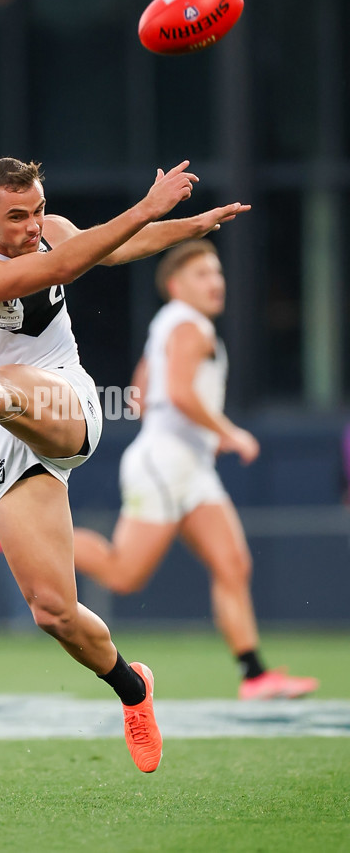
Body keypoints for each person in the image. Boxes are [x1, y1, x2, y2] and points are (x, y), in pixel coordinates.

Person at [0, 156, 250, 772]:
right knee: (53, 610)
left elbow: (110, 248)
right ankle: (133, 688)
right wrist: (144, 205)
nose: (32, 226)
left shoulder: (49, 229)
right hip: (2, 438)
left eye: (39, 211)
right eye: (17, 217)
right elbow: (59, 268)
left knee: (1, 379)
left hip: (65, 398)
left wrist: (185, 226)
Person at [67, 238, 318, 700]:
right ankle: (23, 538)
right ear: (176, 285)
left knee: (232, 563)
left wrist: (194, 435)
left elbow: (142, 392)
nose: (216, 282)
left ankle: (255, 676)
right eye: (203, 274)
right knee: (124, 575)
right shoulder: (191, 326)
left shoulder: (169, 324)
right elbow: (180, 394)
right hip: (168, 464)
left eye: (218, 273)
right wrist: (227, 432)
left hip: (185, 464)